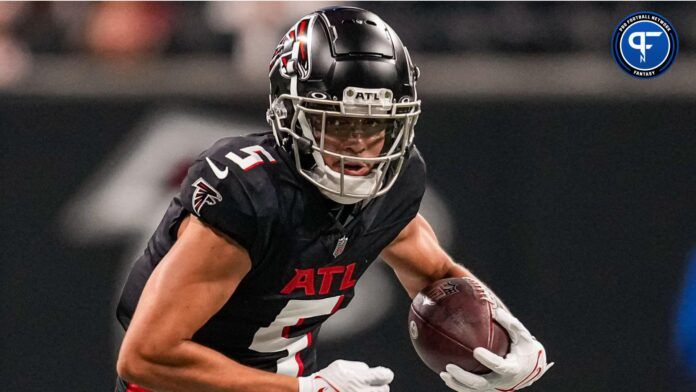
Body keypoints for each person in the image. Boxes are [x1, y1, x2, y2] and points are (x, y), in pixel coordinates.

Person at [115, 6, 552, 392]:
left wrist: (504, 334)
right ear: (292, 118)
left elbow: (438, 275)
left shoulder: (393, 186)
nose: (360, 146)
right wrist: (306, 390)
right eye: (339, 125)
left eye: (376, 124)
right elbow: (146, 357)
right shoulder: (252, 195)